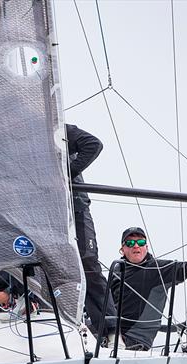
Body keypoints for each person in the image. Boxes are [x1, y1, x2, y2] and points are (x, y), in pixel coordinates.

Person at [109, 227, 187, 351]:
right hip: (111, 331)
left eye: (141, 242)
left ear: (146, 247)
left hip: (135, 340)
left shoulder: (157, 269)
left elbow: (179, 268)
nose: (136, 246)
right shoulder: (117, 270)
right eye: (130, 243)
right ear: (122, 250)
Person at [66, 124, 117, 338]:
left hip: (75, 207)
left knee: (88, 265)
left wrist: (66, 174)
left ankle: (112, 330)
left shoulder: (58, 126)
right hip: (43, 209)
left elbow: (93, 144)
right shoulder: (19, 135)